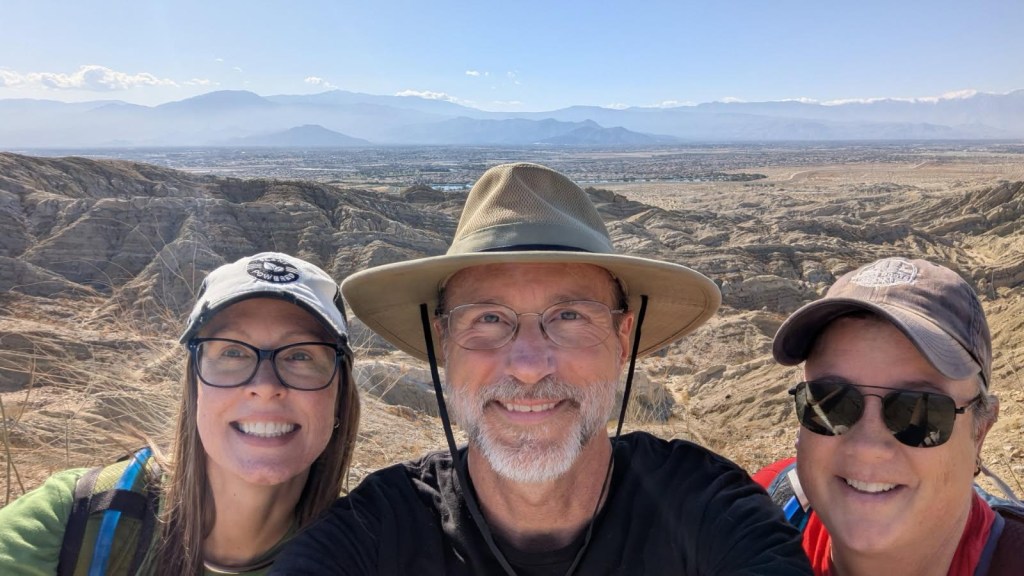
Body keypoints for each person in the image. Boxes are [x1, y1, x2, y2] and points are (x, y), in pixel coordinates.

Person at [270, 162, 811, 575]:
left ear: (624, 339)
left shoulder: (709, 511)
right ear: (444, 342)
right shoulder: (375, 531)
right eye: (487, 318)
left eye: (570, 315)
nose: (528, 367)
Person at [0, 252, 361, 575]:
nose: (265, 385)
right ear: (194, 385)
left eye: (300, 355)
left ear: (340, 393)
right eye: (233, 353)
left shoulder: (364, 552)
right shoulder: (71, 520)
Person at [753, 257, 1023, 575]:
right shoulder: (754, 512)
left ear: (979, 433)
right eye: (831, 401)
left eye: (920, 411)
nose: (867, 447)